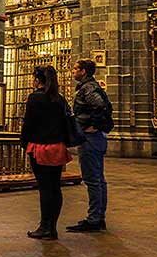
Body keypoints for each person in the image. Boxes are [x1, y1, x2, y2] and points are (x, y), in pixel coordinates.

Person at [20, 65, 71, 240]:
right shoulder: (60, 99)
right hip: (57, 147)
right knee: (55, 187)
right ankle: (53, 228)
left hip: (40, 147)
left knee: (45, 188)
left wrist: (23, 143)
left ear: (37, 80)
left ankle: (44, 227)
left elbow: (28, 124)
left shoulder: (35, 98)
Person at [66, 59, 112, 233]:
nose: (73, 71)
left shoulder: (88, 88)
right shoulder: (89, 87)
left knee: (93, 180)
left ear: (83, 71)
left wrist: (94, 125)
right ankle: (98, 217)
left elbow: (102, 106)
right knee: (98, 179)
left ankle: (94, 219)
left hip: (90, 138)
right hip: (95, 137)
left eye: (76, 68)